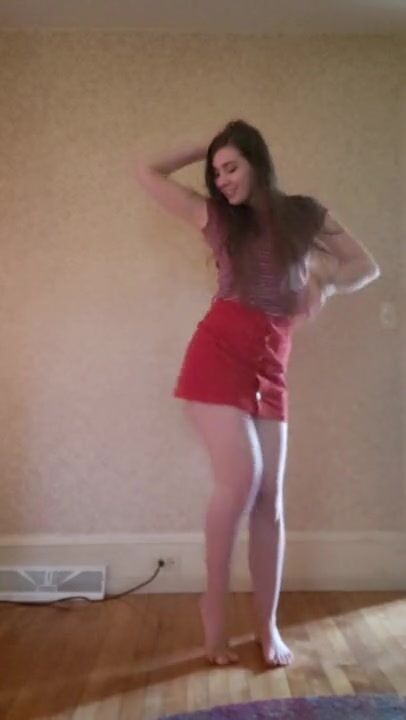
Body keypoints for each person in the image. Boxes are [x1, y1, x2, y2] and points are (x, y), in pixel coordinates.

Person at [135, 120, 380, 667]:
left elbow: (366, 265)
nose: (222, 180)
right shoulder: (218, 218)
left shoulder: (304, 215)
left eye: (231, 167)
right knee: (241, 481)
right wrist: (205, 142)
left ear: (257, 161)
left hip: (272, 363)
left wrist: (325, 279)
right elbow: (146, 171)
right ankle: (214, 610)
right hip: (217, 355)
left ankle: (266, 626)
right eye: (216, 171)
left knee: (271, 500)